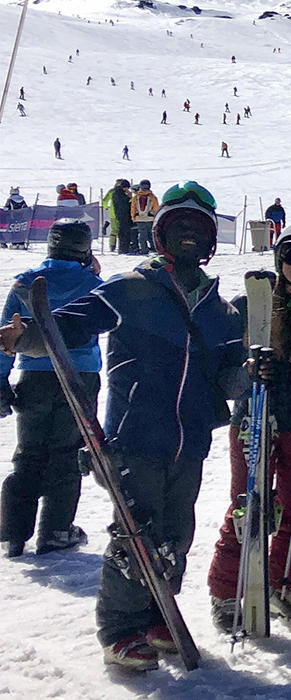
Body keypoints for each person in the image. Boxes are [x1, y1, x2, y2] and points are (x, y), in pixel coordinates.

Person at [0, 182, 244, 672]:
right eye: (179, 227)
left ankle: (157, 615)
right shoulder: (133, 287)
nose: (190, 237)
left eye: (199, 228)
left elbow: (230, 375)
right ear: (161, 235)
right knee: (136, 534)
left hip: (190, 440)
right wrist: (27, 336)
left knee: (176, 533)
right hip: (136, 436)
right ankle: (119, 629)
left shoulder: (219, 309)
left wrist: (253, 369)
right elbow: (72, 323)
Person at [205, 222, 291, 629]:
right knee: (248, 502)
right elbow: (223, 369)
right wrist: (248, 372)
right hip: (254, 414)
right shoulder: (247, 304)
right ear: (280, 257)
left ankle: (284, 582)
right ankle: (227, 589)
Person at [0, 220, 103, 558]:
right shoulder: (93, 284)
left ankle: (13, 533)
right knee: (66, 454)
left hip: (35, 378)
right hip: (79, 377)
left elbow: (5, 335)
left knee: (29, 453)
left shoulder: (26, 282)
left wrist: (0, 380)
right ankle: (56, 532)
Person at [129, 180, 159, 255]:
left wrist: (133, 218)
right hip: (150, 218)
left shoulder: (136, 197)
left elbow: (133, 208)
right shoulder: (153, 197)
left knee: (142, 235)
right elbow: (156, 208)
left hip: (139, 218)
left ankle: (144, 249)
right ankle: (154, 248)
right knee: (151, 234)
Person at [105, 179, 132, 253]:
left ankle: (112, 245)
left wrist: (106, 207)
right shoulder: (122, 193)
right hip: (118, 214)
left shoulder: (112, 192)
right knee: (118, 230)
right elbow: (127, 203)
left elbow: (105, 201)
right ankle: (114, 245)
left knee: (115, 230)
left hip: (113, 214)